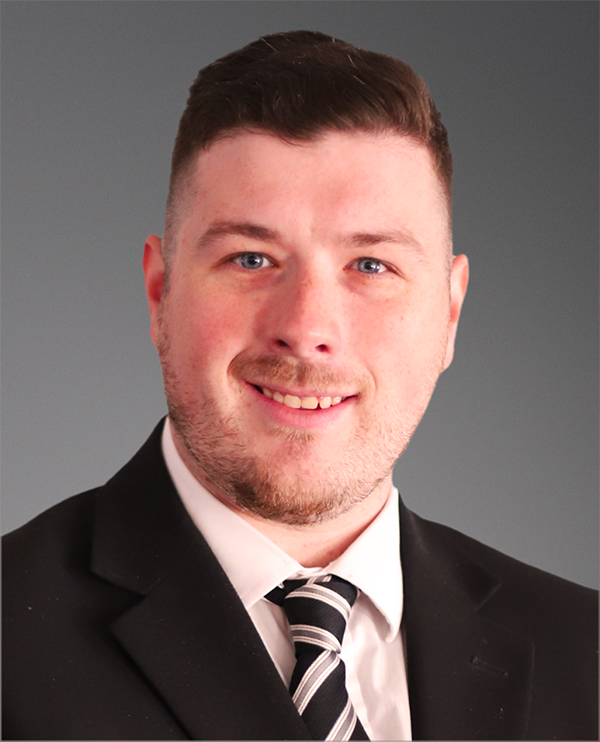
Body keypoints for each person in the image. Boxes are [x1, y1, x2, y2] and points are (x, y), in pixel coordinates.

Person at [2, 30, 597, 741]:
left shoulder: (584, 652)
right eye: (251, 258)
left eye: (371, 266)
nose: (307, 328)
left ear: (449, 312)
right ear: (160, 293)